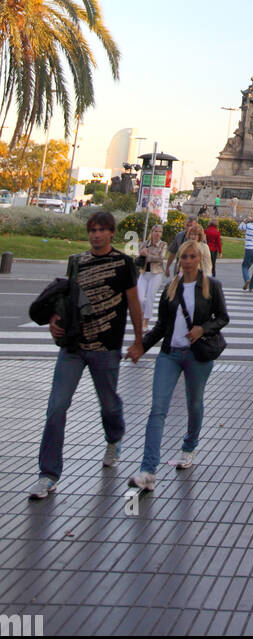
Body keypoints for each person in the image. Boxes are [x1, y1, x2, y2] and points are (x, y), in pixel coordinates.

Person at [28, 211, 143, 500]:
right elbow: (67, 298)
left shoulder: (123, 263)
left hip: (106, 347)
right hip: (74, 347)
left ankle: (114, 436)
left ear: (112, 233)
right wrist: (55, 319)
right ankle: (48, 474)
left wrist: (139, 341)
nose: (96, 235)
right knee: (57, 407)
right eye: (92, 229)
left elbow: (134, 304)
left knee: (108, 404)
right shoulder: (76, 262)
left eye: (102, 229)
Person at [126, 240, 229, 491]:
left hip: (197, 355)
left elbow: (223, 317)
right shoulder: (172, 288)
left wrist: (203, 328)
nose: (188, 261)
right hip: (170, 355)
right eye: (184, 257)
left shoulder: (211, 286)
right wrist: (141, 345)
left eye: (192, 257)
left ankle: (189, 446)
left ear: (200, 259)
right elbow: (162, 326)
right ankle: (148, 471)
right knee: (158, 409)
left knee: (194, 403)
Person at [136, 223, 168, 327]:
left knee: (150, 297)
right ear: (151, 232)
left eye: (160, 232)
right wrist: (141, 254)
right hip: (144, 272)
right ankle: (141, 315)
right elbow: (138, 255)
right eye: (156, 231)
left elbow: (160, 258)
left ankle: (146, 320)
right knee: (140, 298)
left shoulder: (163, 244)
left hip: (156, 273)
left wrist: (148, 255)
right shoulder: (145, 244)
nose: (157, 234)